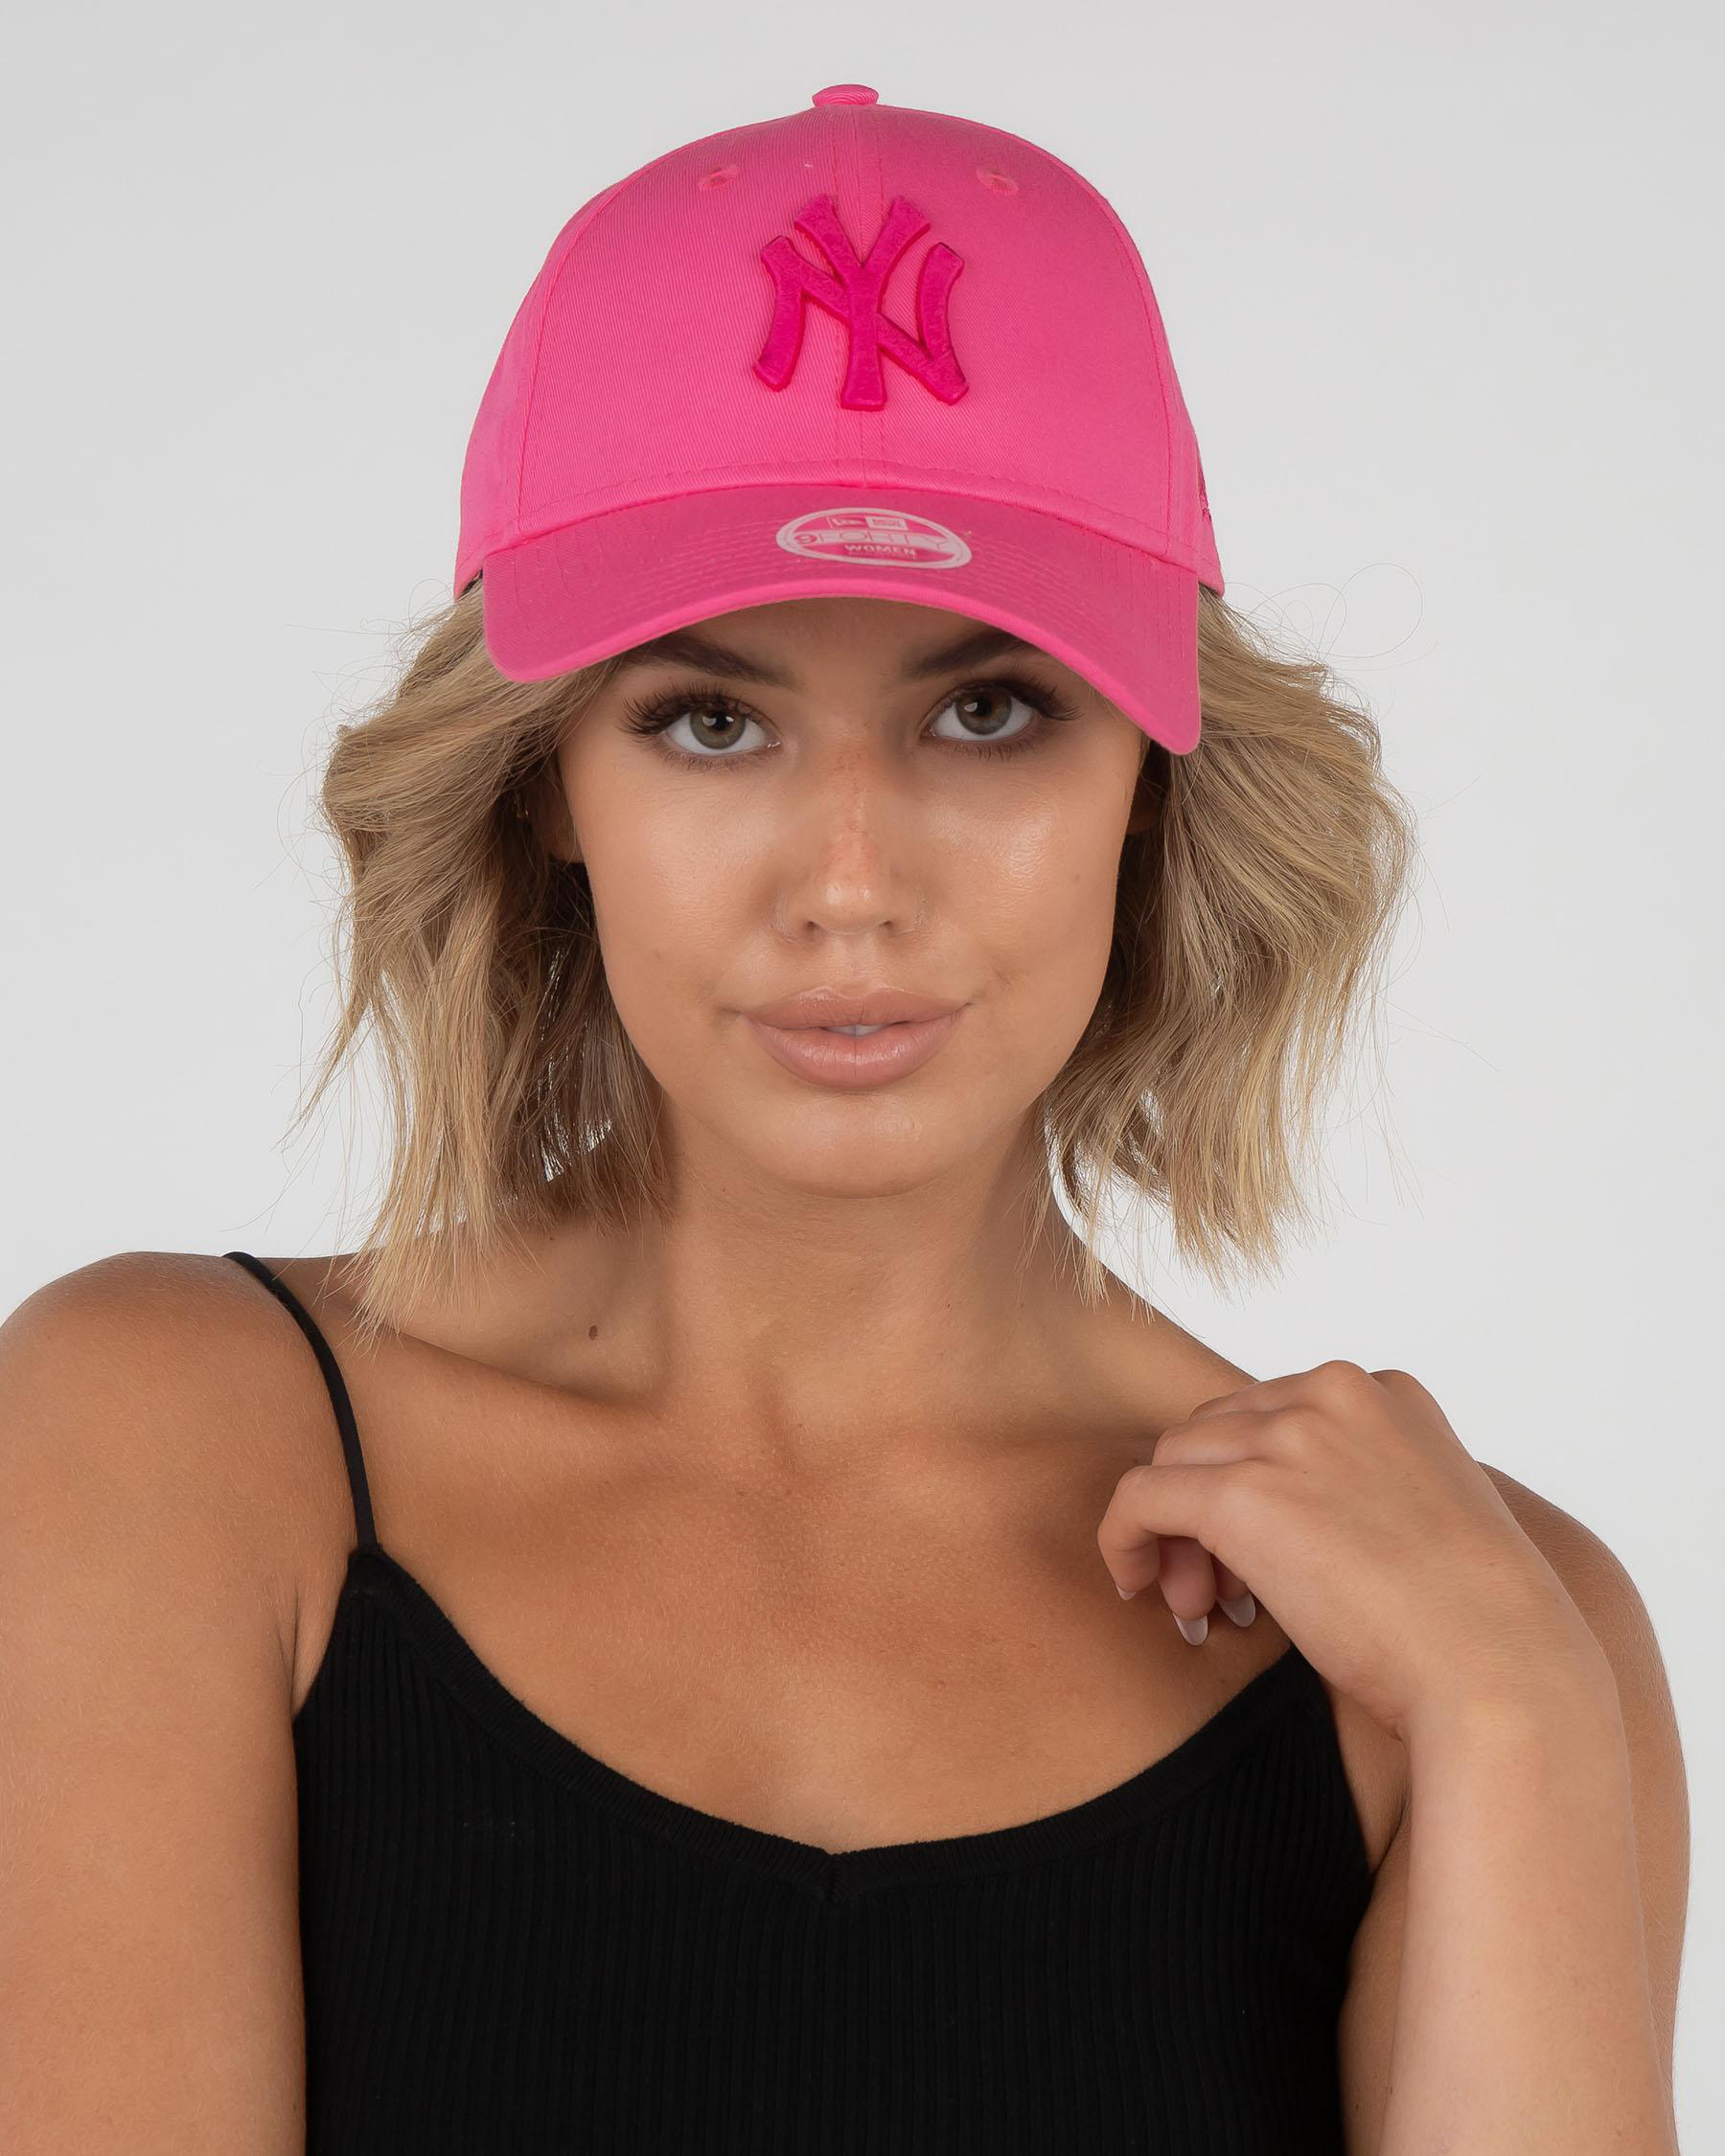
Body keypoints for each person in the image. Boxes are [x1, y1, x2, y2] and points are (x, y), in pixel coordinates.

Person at [0, 82, 1686, 2156]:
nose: (855, 884)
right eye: (711, 720)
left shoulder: (1479, 1632)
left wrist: (1518, 1713)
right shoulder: (166, 1449)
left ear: (1153, 776)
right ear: (545, 784)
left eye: (991, 709)